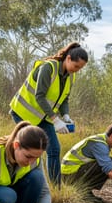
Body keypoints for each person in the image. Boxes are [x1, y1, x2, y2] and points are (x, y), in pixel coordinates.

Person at [10, 42, 89, 184]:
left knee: (54, 149)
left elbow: (64, 99)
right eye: (76, 66)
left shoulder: (70, 76)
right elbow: (39, 96)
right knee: (27, 148)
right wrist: (55, 119)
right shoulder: (48, 67)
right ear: (68, 58)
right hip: (23, 113)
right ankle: (16, 181)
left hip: (43, 117)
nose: (77, 70)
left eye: (81, 68)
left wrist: (65, 115)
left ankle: (55, 187)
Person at [60, 122, 112, 201]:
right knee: (111, 162)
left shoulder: (101, 139)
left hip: (71, 173)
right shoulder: (100, 145)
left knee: (110, 162)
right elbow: (110, 171)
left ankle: (86, 192)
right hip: (69, 175)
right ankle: (83, 192)